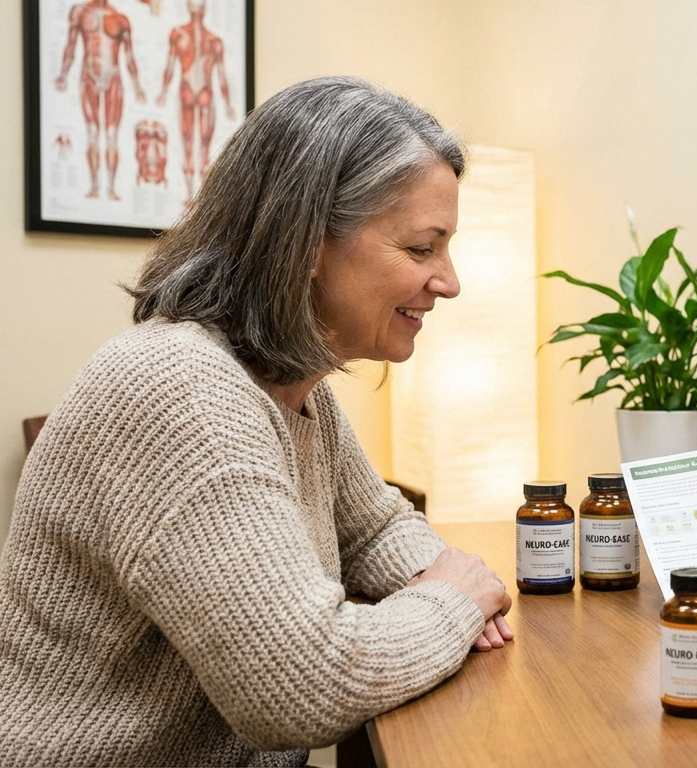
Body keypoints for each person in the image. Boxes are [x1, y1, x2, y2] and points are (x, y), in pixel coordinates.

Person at [0, 77, 515, 766]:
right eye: (422, 248)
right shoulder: (181, 392)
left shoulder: (291, 386)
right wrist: (450, 604)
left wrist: (448, 583)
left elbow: (373, 531)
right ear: (305, 243)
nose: (449, 280)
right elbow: (301, 686)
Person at [55, 0, 146, 200]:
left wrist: (138, 86)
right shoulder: (79, 12)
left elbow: (129, 57)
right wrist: (63, 73)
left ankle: (111, 188)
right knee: (92, 133)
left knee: (112, 135)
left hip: (113, 78)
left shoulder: (121, 19)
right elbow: (71, 45)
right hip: (88, 77)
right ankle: (95, 185)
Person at [156, 0, 239, 200]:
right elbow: (170, 65)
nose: (196, 12)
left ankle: (200, 198)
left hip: (204, 92)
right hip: (188, 89)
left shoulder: (214, 41)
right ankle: (189, 193)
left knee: (203, 145)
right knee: (188, 142)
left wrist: (228, 103)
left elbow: (221, 75)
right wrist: (164, 92)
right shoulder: (179, 34)